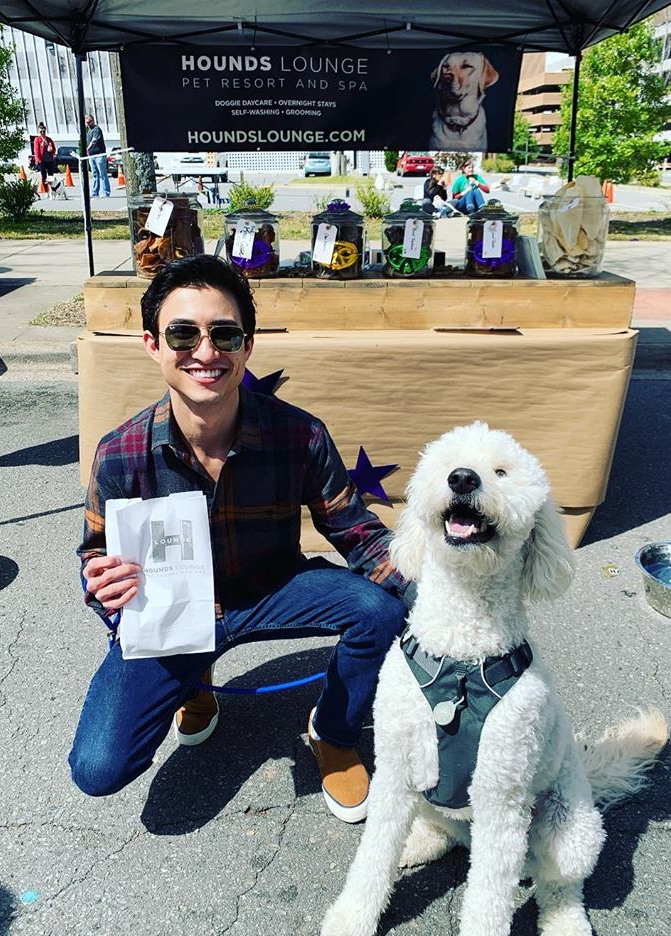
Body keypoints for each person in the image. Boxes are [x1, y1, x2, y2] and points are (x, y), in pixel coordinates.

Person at [69, 255, 413, 823]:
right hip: (173, 618)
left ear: (247, 346)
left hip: (272, 585)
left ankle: (332, 728)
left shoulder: (299, 434)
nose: (205, 352)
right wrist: (102, 586)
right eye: (183, 334)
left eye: (224, 334)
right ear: (153, 344)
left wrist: (423, 594)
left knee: (378, 609)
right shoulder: (120, 452)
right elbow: (94, 553)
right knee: (98, 770)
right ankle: (193, 680)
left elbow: (353, 528)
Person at [85, 114, 110, 198]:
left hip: (99, 155)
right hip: (91, 156)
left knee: (102, 174)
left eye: (89, 122)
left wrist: (88, 148)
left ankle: (106, 192)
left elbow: (94, 140)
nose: (88, 124)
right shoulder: (88, 131)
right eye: (87, 122)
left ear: (93, 121)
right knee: (95, 174)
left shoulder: (97, 129)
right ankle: (95, 191)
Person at [32, 123, 57, 190]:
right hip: (42, 161)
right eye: (41, 132)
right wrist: (38, 160)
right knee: (44, 176)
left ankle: (53, 190)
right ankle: (46, 190)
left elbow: (54, 150)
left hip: (49, 160)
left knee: (51, 176)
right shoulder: (37, 139)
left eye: (43, 131)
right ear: (38, 132)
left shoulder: (49, 139)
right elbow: (36, 151)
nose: (42, 133)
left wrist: (51, 150)